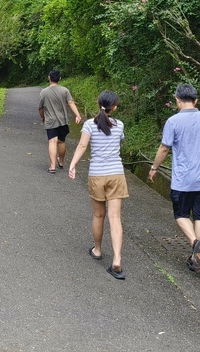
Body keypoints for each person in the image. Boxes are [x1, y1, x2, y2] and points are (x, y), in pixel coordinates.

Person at [148, 82, 200, 274]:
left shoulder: (173, 121)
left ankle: (196, 245)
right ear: (196, 100)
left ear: (177, 100)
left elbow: (165, 148)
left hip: (183, 181)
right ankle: (196, 255)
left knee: (181, 215)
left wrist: (154, 167)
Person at [69, 90, 128, 279]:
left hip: (97, 175)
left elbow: (82, 146)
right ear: (115, 107)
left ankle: (98, 250)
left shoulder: (89, 125)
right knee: (115, 217)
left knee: (98, 214)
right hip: (116, 174)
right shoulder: (119, 125)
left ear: (98, 103)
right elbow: (119, 142)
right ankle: (117, 260)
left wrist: (73, 164)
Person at [38, 69, 82, 173]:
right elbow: (70, 102)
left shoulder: (44, 92)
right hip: (63, 120)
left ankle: (52, 167)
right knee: (61, 141)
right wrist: (77, 115)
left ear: (49, 78)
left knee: (52, 142)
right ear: (60, 78)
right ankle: (61, 162)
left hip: (50, 121)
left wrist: (42, 117)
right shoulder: (65, 90)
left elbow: (40, 108)